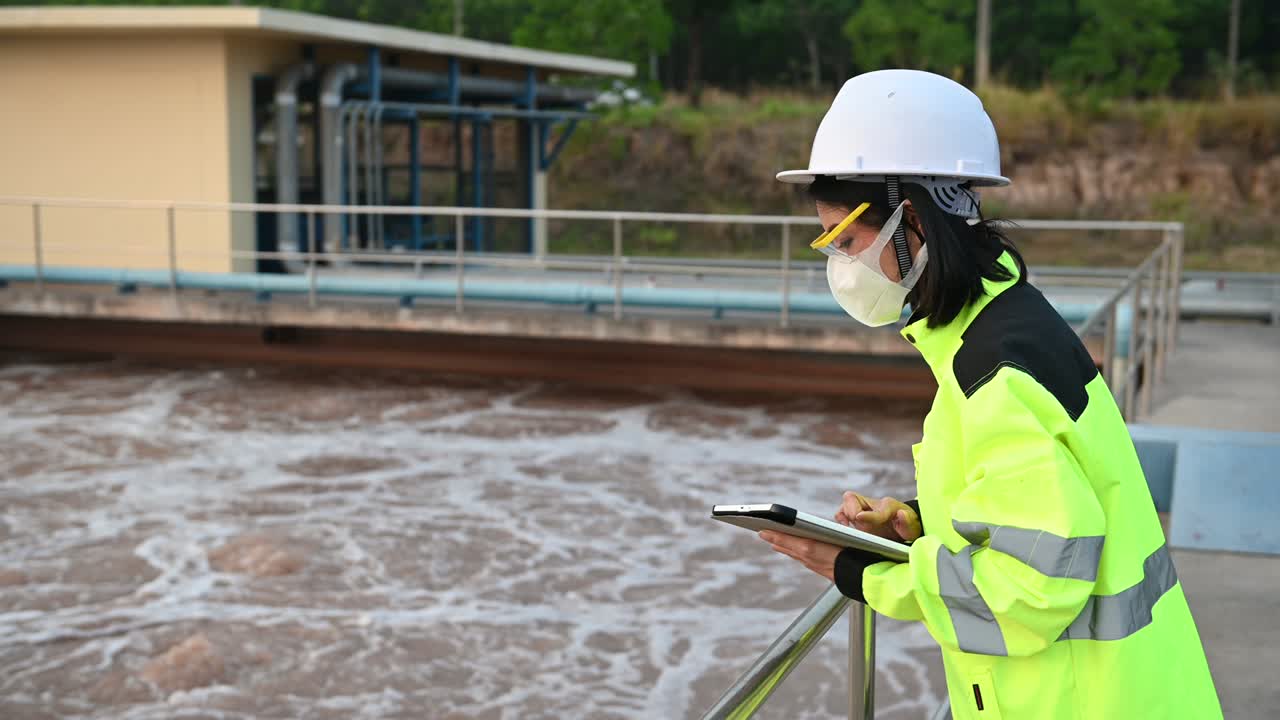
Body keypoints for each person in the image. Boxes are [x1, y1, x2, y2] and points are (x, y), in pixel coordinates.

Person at [758, 69, 1222, 719]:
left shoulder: (994, 372)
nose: (838, 263)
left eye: (845, 240)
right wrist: (920, 521)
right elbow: (1042, 504)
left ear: (911, 219)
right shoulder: (1005, 324)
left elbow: (1032, 590)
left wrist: (863, 573)